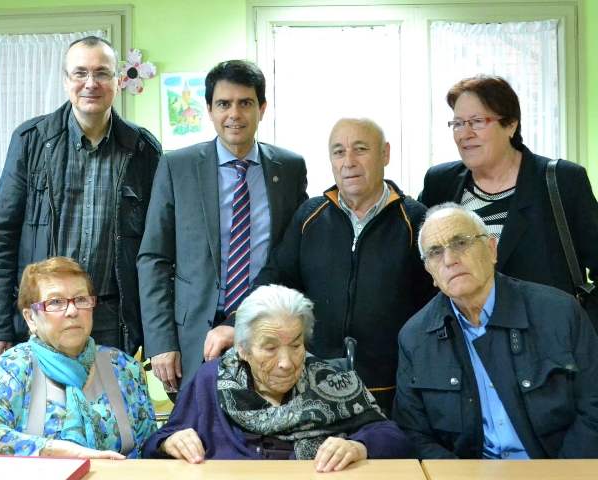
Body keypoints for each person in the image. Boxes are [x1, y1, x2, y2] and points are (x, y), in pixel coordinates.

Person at [0, 36, 162, 364]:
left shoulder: (143, 151)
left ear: (118, 82)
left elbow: (157, 252)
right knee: (40, 414)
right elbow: (0, 242)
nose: (90, 83)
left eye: (102, 73)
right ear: (66, 82)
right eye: (80, 73)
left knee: (109, 414)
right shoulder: (31, 142)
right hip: (41, 319)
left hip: (112, 322)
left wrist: (156, 335)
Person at [241, 118, 435, 414]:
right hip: (315, 387)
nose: (349, 162)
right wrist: (234, 325)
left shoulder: (415, 219)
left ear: (385, 154)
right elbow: (275, 278)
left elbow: (434, 304)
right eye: (339, 152)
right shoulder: (310, 215)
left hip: (395, 389)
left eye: (360, 149)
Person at [137, 60, 307, 393]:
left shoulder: (288, 168)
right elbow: (153, 258)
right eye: (223, 104)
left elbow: (294, 256)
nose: (235, 114)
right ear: (209, 110)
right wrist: (160, 342)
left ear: (262, 108)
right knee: (196, 435)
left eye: (245, 103)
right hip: (192, 336)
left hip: (266, 329)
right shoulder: (177, 166)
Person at [392, 204, 598, 459]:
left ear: (491, 249)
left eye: (460, 243)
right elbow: (413, 433)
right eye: (435, 252)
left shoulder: (559, 312)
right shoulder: (414, 338)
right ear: (430, 273)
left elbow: (593, 408)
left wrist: (561, 474)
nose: (449, 260)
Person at [142, 284, 412, 470]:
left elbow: (392, 437)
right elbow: (156, 443)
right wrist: (169, 443)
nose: (286, 363)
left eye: (295, 346)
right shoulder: (209, 382)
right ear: (243, 349)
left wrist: (359, 447)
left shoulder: (329, 381)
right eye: (270, 348)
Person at [419, 74, 598, 331]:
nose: (465, 134)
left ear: (511, 125)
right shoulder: (440, 183)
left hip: (549, 344)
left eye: (478, 122)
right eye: (457, 124)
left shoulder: (562, 181)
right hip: (467, 346)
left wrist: (586, 330)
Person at [0, 257, 158, 458]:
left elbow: (149, 447)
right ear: (30, 318)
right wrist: (64, 452)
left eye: (80, 299)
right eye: (55, 302)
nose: (72, 311)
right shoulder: (15, 368)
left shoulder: (124, 368)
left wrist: (167, 442)